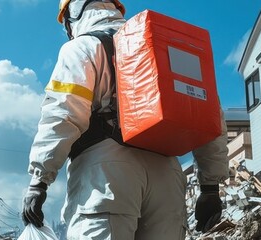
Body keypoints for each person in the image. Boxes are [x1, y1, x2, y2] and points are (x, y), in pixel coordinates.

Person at [20, 0, 229, 239]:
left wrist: (39, 181)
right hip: (167, 177)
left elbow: (63, 114)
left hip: (107, 173)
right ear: (116, 9)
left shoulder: (82, 47)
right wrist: (210, 188)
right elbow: (209, 118)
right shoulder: (162, 46)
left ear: (71, 16)